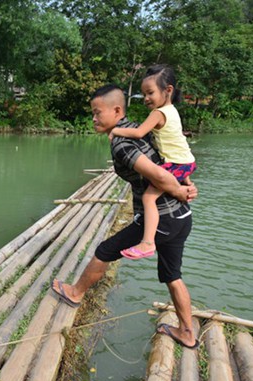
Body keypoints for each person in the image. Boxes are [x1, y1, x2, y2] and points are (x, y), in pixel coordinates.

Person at [52, 83, 200, 349]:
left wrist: (179, 190)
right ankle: (187, 333)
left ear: (116, 110)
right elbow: (174, 156)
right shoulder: (137, 128)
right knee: (172, 276)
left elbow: (159, 175)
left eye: (98, 113)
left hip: (161, 219)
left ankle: (75, 293)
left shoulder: (122, 143)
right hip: (181, 218)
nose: (94, 119)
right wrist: (186, 188)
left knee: (105, 250)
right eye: (93, 113)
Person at [108, 65, 196, 260]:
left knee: (149, 198)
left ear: (168, 90)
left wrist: (115, 131)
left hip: (176, 164)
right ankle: (187, 187)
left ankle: (147, 243)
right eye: (144, 94)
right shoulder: (172, 110)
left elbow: (139, 132)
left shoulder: (158, 113)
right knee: (174, 190)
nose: (146, 98)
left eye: (150, 93)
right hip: (186, 162)